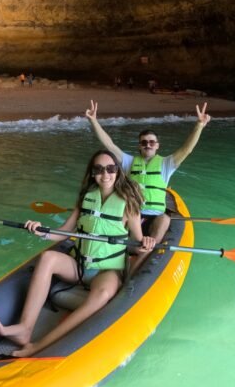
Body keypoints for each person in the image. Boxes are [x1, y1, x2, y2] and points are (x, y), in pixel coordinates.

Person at [0, 149, 156, 357]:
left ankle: (38, 346)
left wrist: (146, 243)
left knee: (102, 295)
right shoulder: (86, 198)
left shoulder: (128, 204)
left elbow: (138, 241)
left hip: (107, 271)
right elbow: (64, 232)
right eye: (98, 169)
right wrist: (41, 232)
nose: (105, 174)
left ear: (118, 171)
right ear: (92, 173)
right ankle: (25, 328)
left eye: (110, 168)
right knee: (47, 258)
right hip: (78, 265)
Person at [85, 100, 211, 271]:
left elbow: (186, 149)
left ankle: (139, 262)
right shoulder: (129, 162)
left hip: (155, 218)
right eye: (144, 142)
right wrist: (93, 120)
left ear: (157, 146)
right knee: (121, 217)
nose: (148, 145)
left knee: (165, 218)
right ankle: (113, 253)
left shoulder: (167, 164)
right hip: (132, 214)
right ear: (139, 146)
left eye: (152, 142)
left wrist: (199, 125)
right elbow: (109, 145)